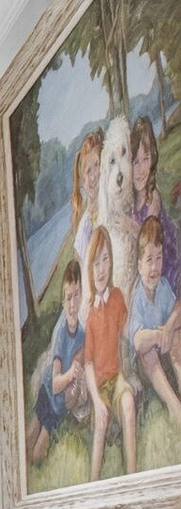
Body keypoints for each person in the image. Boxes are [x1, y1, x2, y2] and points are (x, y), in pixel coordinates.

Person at [83, 226, 138, 482]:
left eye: (105, 260)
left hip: (117, 379)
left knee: (128, 404)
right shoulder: (91, 316)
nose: (101, 269)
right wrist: (96, 400)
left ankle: (132, 477)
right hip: (99, 386)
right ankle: (93, 484)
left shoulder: (117, 298)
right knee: (101, 423)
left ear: (111, 262)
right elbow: (88, 364)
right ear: (90, 269)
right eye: (96, 263)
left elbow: (125, 335)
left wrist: (130, 373)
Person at [129, 213, 181, 457]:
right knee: (147, 351)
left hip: (165, 348)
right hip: (145, 365)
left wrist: (169, 327)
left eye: (158, 258)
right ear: (139, 265)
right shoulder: (138, 297)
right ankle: (173, 405)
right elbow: (137, 341)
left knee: (177, 335)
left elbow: (177, 309)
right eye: (149, 259)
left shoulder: (163, 288)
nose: (154, 267)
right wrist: (160, 335)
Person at [33, 257, 89, 462]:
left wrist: (79, 380)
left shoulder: (81, 333)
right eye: (68, 298)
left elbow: (80, 364)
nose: (72, 305)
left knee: (40, 444)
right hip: (50, 393)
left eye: (76, 296)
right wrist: (71, 374)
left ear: (82, 296)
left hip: (60, 403)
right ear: (63, 301)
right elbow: (56, 385)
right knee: (33, 437)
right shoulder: (61, 332)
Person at [129, 117, 180, 296]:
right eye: (136, 162)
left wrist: (129, 226)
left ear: (153, 158)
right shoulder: (131, 200)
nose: (141, 169)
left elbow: (148, 238)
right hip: (147, 267)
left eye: (146, 158)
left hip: (166, 265)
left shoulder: (153, 198)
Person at [72, 129, 105, 272]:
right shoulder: (85, 224)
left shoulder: (111, 205)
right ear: (82, 182)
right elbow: (82, 269)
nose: (93, 176)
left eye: (97, 165)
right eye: (88, 171)